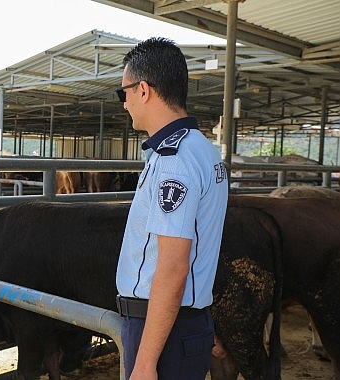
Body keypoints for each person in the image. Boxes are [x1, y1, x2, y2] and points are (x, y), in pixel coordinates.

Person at [115, 37, 228, 380]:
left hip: (161, 330)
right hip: (182, 324)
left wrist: (147, 362)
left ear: (144, 90)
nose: (124, 104)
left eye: (124, 93)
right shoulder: (203, 151)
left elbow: (173, 267)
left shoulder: (173, 161)